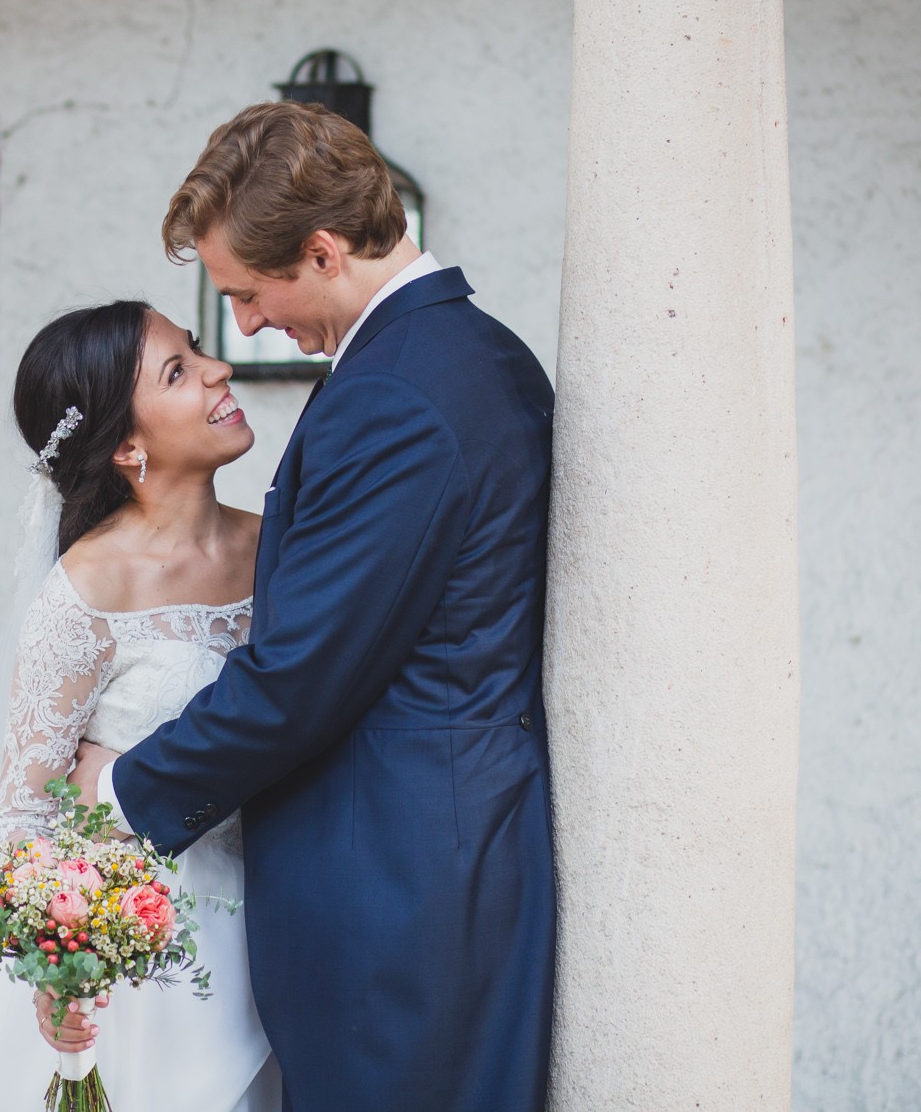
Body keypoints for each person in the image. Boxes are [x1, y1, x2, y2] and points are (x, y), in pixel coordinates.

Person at [65, 101, 558, 1110]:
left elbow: (299, 676)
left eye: (248, 292)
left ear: (324, 250)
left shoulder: (398, 397)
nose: (241, 327)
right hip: (427, 868)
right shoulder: (466, 355)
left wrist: (119, 795)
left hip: (401, 896)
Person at [0, 298, 283, 1112]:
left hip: (277, 933)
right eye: (178, 371)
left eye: (199, 351)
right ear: (127, 445)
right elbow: (21, 820)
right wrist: (57, 972)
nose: (218, 370)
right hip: (132, 967)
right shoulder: (87, 589)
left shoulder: (282, 547)